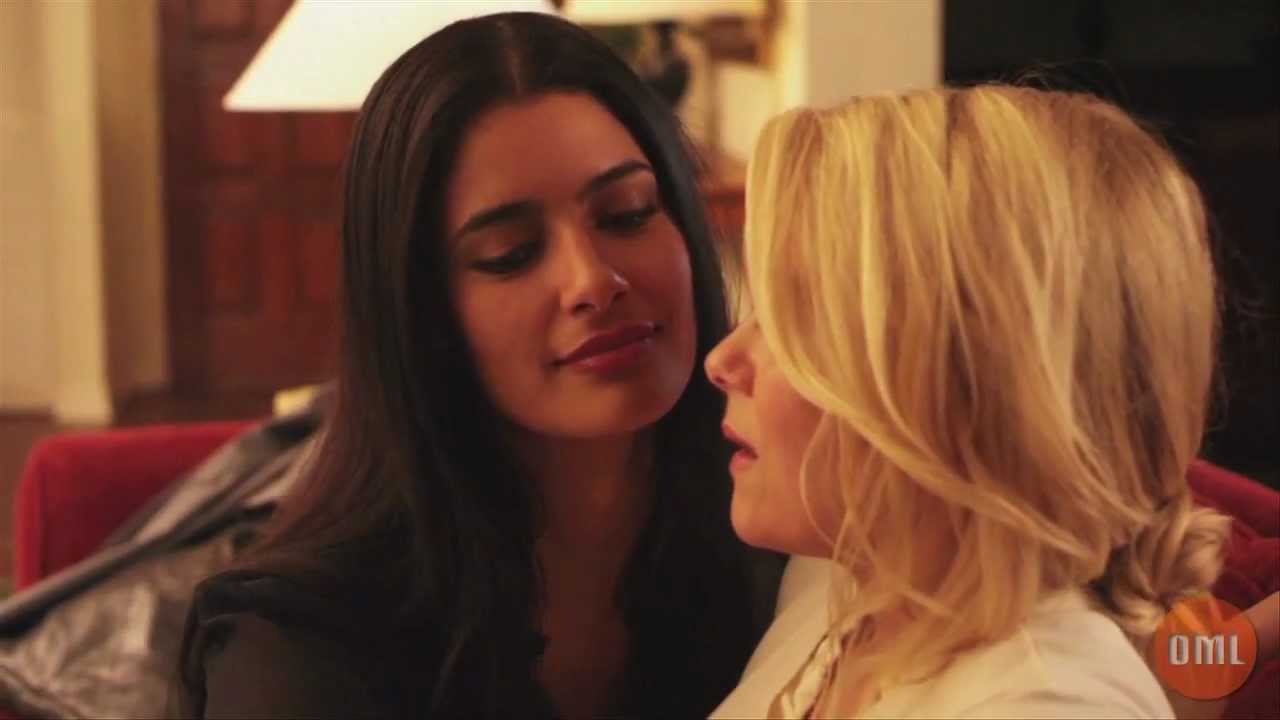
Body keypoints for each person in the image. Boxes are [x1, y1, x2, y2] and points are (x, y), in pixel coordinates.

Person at [174, 12, 779, 719]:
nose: (592, 279)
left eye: (626, 213)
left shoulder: (787, 533)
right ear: (421, 309)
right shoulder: (296, 649)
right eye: (510, 254)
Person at [706, 85, 1233, 718]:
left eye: (794, 321)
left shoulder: (1043, 704)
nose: (722, 361)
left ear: (970, 377)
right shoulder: (847, 583)